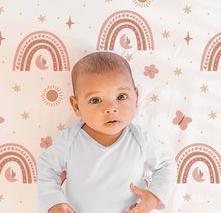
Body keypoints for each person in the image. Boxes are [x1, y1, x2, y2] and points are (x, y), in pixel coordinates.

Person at [37, 51, 176, 213]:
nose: (111, 108)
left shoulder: (141, 139)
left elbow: (166, 166)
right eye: (95, 100)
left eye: (121, 96)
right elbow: (46, 168)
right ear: (76, 106)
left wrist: (154, 196)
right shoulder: (70, 140)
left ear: (136, 97)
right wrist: (54, 203)